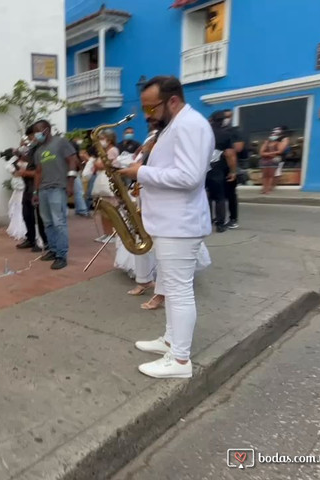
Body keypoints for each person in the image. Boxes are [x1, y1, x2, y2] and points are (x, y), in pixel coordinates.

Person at [119, 75, 213, 379]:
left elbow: (189, 177)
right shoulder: (175, 125)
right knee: (173, 289)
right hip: (171, 223)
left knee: (180, 290)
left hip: (180, 224)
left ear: (172, 100)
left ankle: (180, 361)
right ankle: (171, 341)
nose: (148, 115)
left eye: (151, 108)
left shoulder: (190, 125)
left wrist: (141, 172)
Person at [31, 119, 78, 270]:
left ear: (47, 129)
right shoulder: (38, 150)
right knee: (48, 223)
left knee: (59, 222)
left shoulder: (61, 143)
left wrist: (70, 183)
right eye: (35, 132)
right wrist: (35, 191)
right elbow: (38, 172)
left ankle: (61, 255)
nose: (36, 135)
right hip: (43, 190)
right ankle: (52, 249)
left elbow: (72, 161)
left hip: (58, 188)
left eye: (38, 131)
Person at [16, 126, 48, 252]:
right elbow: (27, 162)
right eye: (30, 138)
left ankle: (44, 241)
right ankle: (30, 238)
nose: (31, 140)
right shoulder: (33, 149)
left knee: (39, 217)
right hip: (28, 186)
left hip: (38, 186)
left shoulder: (43, 150)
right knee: (27, 214)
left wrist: (26, 173)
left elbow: (41, 171)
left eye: (32, 137)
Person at [206, 111, 237, 233]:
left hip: (202, 169)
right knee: (220, 197)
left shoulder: (203, 133)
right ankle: (220, 224)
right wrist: (233, 171)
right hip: (217, 169)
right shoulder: (225, 134)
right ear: (223, 121)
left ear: (211, 120)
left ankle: (206, 221)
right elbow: (230, 154)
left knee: (205, 196)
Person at [222, 109, 244, 228]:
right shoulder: (219, 131)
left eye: (228, 116)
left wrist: (233, 170)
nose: (226, 119)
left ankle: (233, 219)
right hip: (218, 167)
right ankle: (219, 218)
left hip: (231, 166)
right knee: (219, 195)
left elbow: (238, 148)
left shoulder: (235, 131)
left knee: (230, 194)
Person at [257, 126, 288, 194]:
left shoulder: (278, 143)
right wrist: (271, 154)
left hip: (273, 161)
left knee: (271, 176)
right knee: (264, 176)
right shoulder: (266, 143)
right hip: (265, 161)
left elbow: (280, 151)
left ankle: (268, 189)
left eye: (276, 134)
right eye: (273, 134)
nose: (273, 135)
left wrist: (267, 153)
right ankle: (264, 189)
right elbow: (261, 152)